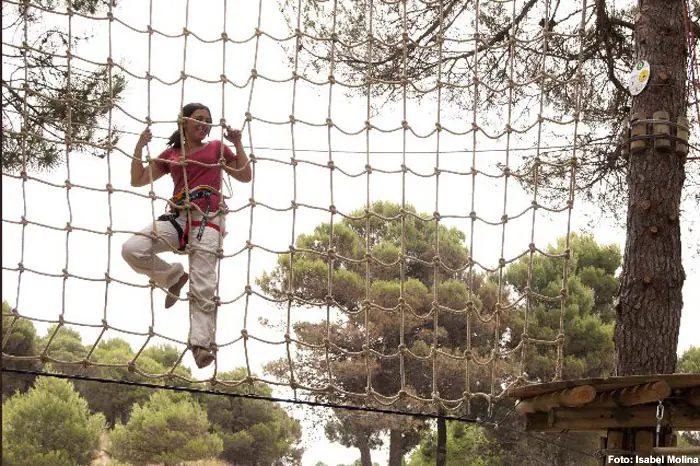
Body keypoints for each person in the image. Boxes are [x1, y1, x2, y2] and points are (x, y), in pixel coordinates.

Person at [121, 102, 252, 368]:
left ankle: (201, 345)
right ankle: (173, 276)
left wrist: (237, 144)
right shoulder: (171, 154)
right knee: (132, 248)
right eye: (199, 118)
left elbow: (245, 176)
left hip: (208, 218)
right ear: (184, 121)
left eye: (208, 119)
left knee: (203, 283)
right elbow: (138, 179)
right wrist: (139, 147)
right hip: (179, 216)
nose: (204, 123)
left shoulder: (216, 148)